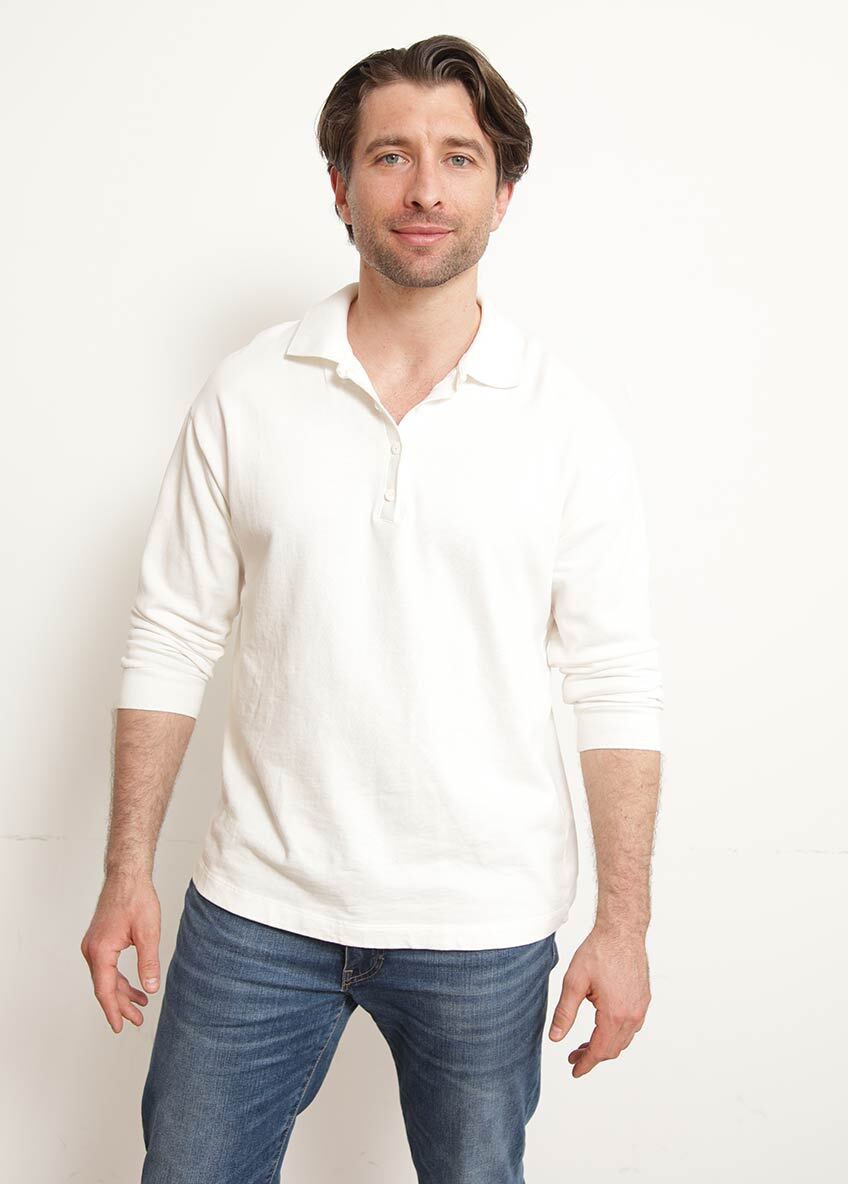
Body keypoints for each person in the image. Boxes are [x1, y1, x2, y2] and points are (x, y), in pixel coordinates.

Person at [80, 33, 664, 1184]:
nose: (423, 188)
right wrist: (124, 869)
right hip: (256, 906)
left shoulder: (564, 424)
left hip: (483, 921)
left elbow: (615, 680)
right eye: (390, 154)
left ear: (503, 192)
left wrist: (622, 923)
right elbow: (170, 632)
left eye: (458, 157)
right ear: (340, 185)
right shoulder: (248, 392)